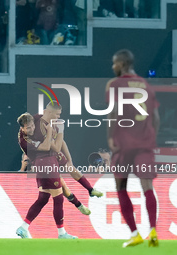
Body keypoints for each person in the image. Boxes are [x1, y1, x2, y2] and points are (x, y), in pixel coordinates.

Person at [106, 49, 160, 247]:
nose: (113, 67)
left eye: (114, 63)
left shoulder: (115, 85)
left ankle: (135, 233)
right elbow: (156, 118)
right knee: (148, 187)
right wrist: (150, 138)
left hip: (124, 145)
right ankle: (153, 230)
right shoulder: (146, 85)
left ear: (121, 63)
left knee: (121, 186)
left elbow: (113, 113)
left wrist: (111, 138)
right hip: (144, 144)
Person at [16, 112, 77, 239]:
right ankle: (62, 234)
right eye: (28, 128)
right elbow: (46, 146)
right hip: (46, 166)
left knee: (43, 199)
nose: (32, 129)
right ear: (22, 129)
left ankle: (23, 227)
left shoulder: (35, 119)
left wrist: (52, 117)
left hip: (43, 166)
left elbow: (47, 114)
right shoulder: (24, 142)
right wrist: (50, 130)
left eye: (32, 125)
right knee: (58, 198)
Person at [35, 102, 103, 198]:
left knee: (70, 168)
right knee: (55, 190)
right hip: (43, 159)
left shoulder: (53, 123)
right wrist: (61, 131)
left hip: (52, 154)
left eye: (59, 114)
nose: (58, 116)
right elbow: (56, 147)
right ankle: (75, 201)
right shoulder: (40, 127)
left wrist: (69, 160)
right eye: (57, 114)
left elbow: (61, 142)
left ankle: (90, 190)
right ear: (49, 112)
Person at [19, 152, 91, 215]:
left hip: (46, 179)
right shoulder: (18, 173)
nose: (29, 162)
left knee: (64, 190)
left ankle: (79, 205)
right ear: (22, 161)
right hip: (33, 190)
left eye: (30, 160)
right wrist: (23, 168)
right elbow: (18, 177)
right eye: (26, 160)